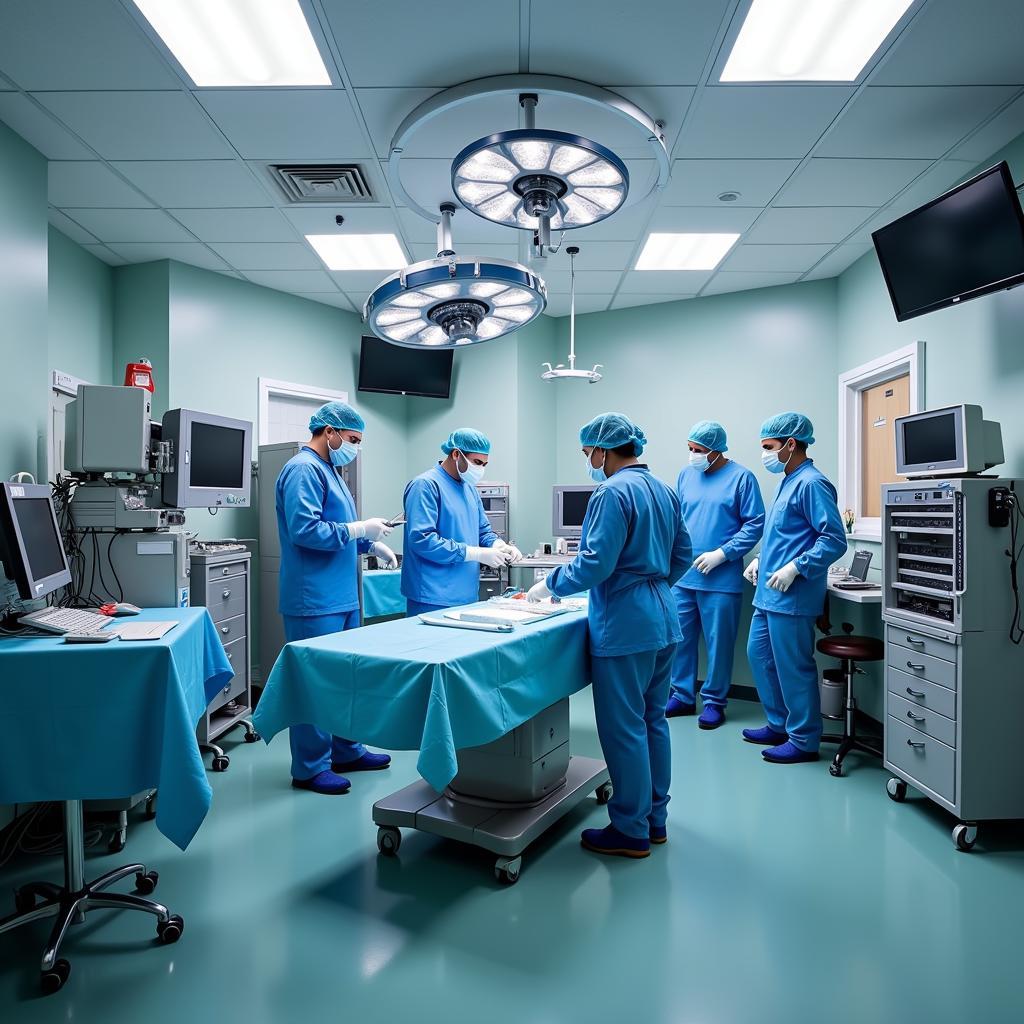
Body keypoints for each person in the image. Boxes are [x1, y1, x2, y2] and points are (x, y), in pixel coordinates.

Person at [528, 413, 691, 858]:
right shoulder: (663, 490)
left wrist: (548, 585)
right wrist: (651, 585)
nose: (589, 461)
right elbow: (684, 555)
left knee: (623, 730)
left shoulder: (611, 492)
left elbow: (595, 564)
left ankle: (630, 829)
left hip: (626, 626)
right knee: (652, 721)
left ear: (602, 450)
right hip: (663, 618)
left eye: (588, 453)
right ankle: (655, 819)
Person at [275, 401, 397, 795]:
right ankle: (310, 767)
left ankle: (346, 749)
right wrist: (360, 528)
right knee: (315, 682)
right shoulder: (302, 469)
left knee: (347, 679)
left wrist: (367, 545)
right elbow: (306, 530)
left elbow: (336, 532)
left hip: (341, 596)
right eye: (353, 439)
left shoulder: (330, 470)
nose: (354, 447)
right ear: (330, 432)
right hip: (313, 598)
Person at [742, 412, 847, 764]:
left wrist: (796, 566)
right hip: (770, 593)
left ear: (790, 444)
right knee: (758, 656)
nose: (764, 454)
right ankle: (779, 723)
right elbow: (785, 536)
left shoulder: (812, 483)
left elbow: (833, 539)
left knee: (793, 667)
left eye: (768, 447)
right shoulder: (788, 481)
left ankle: (803, 739)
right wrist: (763, 559)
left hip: (792, 595)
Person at [667, 420, 764, 729]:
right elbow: (677, 520)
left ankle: (714, 702)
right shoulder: (686, 476)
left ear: (717, 450)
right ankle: (681, 695)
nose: (693, 455)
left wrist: (724, 553)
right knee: (678, 639)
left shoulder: (742, 478)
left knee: (718, 643)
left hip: (721, 579)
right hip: (683, 576)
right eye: (690, 449)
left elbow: (755, 524)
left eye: (699, 450)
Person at [401, 428, 521, 616]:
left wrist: (499, 545)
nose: (481, 469)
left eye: (485, 464)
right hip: (432, 597)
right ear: (456, 454)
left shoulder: (470, 489)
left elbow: (483, 531)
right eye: (477, 462)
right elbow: (422, 540)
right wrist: (475, 553)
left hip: (466, 596)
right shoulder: (425, 485)